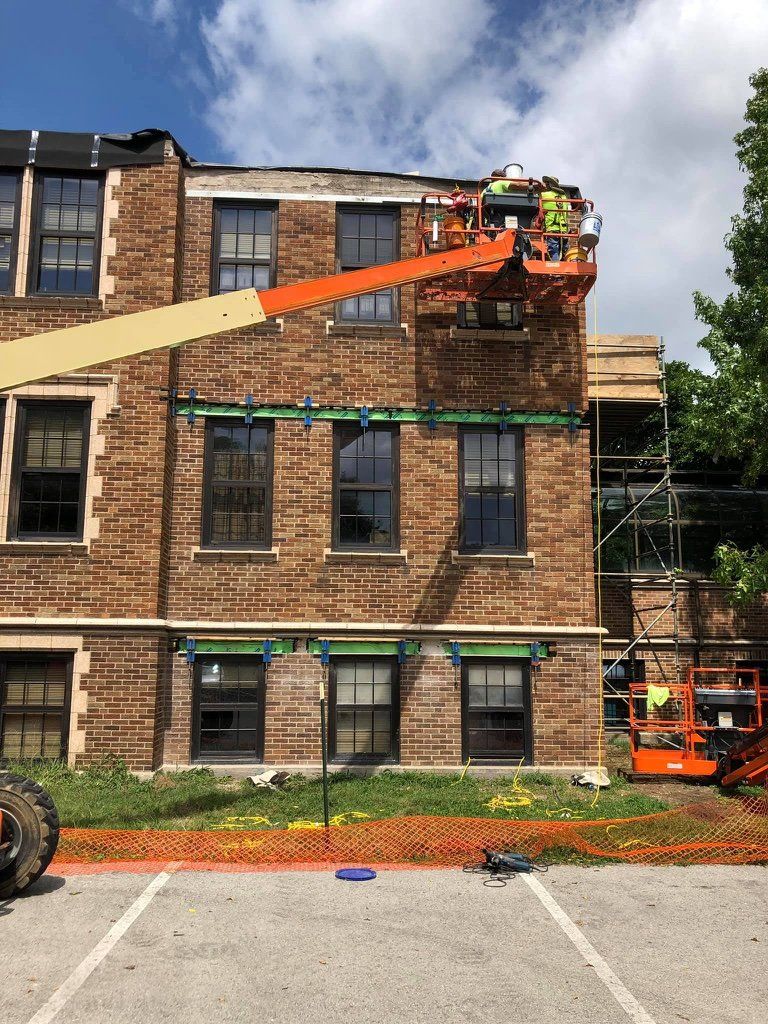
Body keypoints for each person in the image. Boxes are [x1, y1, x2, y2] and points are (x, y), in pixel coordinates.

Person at [540, 174, 569, 260]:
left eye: (546, 183)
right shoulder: (564, 197)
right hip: (564, 230)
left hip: (552, 228)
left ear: (549, 184)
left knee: (553, 251)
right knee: (564, 251)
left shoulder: (544, 195)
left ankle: (556, 269)